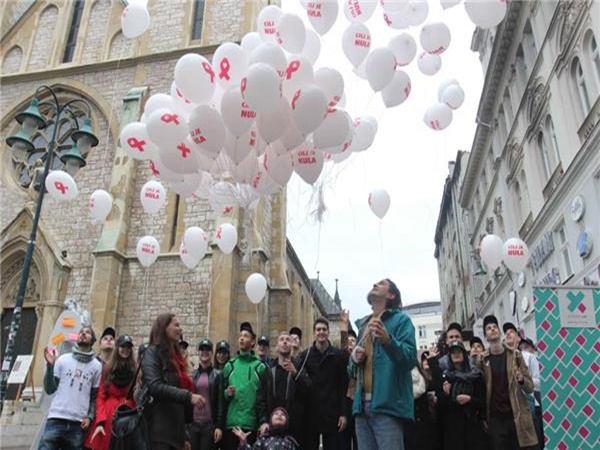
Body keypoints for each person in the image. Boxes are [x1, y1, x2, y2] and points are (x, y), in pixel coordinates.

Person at [350, 278, 417, 450]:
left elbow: (409, 359)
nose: (374, 284)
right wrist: (354, 360)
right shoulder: (363, 325)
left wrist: (388, 341)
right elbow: (351, 371)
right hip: (361, 407)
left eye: (381, 283)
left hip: (388, 405)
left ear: (391, 294)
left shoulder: (401, 321)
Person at [141, 313, 205, 450]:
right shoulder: (152, 353)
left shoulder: (176, 360)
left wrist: (185, 436)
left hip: (176, 436)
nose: (180, 329)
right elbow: (155, 386)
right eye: (176, 325)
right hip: (158, 434)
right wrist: (189, 396)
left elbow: (178, 404)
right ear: (164, 328)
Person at [476, 315, 538, 450]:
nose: (492, 329)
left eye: (495, 327)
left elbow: (530, 388)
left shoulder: (515, 355)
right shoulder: (482, 360)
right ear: (485, 336)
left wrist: (521, 379)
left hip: (516, 415)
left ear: (499, 332)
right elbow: (479, 387)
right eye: (488, 328)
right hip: (495, 418)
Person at [39, 325, 103, 450]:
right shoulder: (63, 359)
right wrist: (50, 367)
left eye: (87, 332)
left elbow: (94, 397)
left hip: (78, 424)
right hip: (56, 419)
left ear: (93, 340)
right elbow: (49, 389)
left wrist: (90, 417)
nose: (83, 334)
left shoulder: (96, 366)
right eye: (81, 332)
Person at [297, 317, 348, 450]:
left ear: (328, 332)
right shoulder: (305, 355)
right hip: (311, 411)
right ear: (314, 333)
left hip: (332, 412)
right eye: (318, 329)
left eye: (324, 329)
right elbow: (300, 382)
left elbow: (343, 385)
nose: (321, 332)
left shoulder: (337, 355)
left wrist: (343, 413)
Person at [221, 322, 268, 450]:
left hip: (251, 424)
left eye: (246, 336)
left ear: (253, 342)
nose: (242, 338)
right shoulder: (229, 366)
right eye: (240, 336)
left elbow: (264, 397)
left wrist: (262, 421)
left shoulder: (260, 367)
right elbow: (220, 395)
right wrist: (227, 393)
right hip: (232, 423)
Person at [85, 335, 137, 450]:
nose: (125, 349)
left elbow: (135, 395)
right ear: (117, 348)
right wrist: (100, 421)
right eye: (123, 346)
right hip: (108, 415)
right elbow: (101, 396)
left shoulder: (134, 371)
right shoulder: (108, 369)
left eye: (128, 347)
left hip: (126, 413)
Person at [262, 332, 310, 447]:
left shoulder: (299, 367)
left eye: (287, 340)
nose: (284, 342)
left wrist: (295, 374)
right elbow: (261, 398)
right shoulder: (268, 370)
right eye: (281, 340)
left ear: (291, 345)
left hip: (295, 428)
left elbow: (308, 391)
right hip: (272, 426)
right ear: (277, 347)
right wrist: (263, 421)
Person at [438, 341, 487, 450]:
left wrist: (470, 400)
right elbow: (440, 407)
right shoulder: (445, 377)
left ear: (464, 354)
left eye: (459, 351)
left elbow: (484, 401)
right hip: (453, 429)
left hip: (472, 425)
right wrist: (445, 393)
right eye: (453, 352)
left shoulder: (476, 376)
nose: (456, 354)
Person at [189, 339, 225, 450]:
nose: (205, 352)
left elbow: (220, 402)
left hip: (209, 425)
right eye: (202, 349)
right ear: (198, 352)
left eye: (207, 350)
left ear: (211, 353)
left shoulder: (218, 375)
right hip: (193, 424)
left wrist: (219, 426)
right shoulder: (192, 375)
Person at [518, 338, 544, 449]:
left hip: (537, 405)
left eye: (527, 347)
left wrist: (525, 379)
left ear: (533, 348)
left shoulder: (536, 360)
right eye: (521, 348)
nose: (524, 351)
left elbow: (541, 383)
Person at [232, 407, 299, 450]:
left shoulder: (290, 441)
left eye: (283, 414)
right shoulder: (263, 439)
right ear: (270, 421)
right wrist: (243, 442)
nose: (279, 415)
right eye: (276, 413)